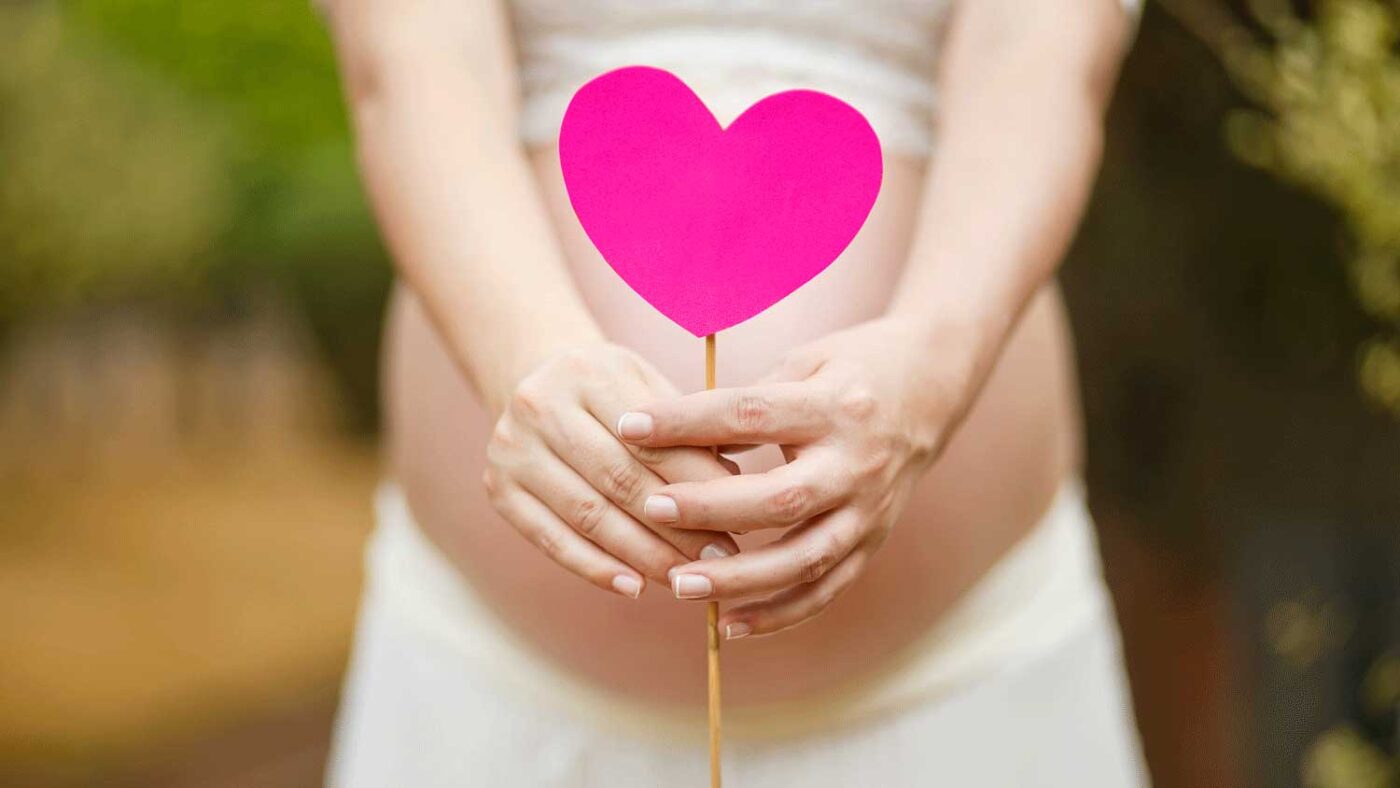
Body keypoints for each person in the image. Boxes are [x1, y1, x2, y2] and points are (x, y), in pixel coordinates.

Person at [323, 0, 1149, 784]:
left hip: (967, 679)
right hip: (497, 689)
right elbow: (410, 68)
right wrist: (526, 357)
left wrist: (933, 365)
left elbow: (1039, 59)